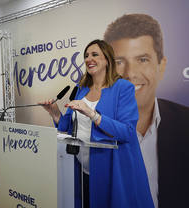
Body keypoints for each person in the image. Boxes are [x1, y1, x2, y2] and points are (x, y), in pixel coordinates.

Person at [39, 39, 154, 208]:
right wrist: (54, 112)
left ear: (107, 59)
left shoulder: (123, 87)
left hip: (113, 169)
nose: (88, 59)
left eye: (94, 54)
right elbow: (68, 127)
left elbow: (127, 131)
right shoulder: (81, 89)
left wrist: (93, 114)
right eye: (86, 56)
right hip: (83, 168)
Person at [104, 13, 189, 208]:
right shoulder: (96, 128)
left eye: (142, 59)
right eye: (119, 62)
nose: (130, 74)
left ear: (161, 66)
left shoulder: (186, 123)